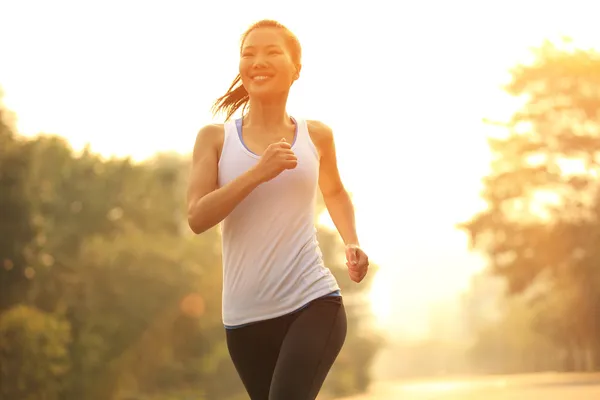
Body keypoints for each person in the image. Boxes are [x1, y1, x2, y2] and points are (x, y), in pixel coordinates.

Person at [186, 19, 369, 400]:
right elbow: (197, 217)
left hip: (312, 301)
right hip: (243, 319)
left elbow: (334, 192)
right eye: (248, 54)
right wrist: (258, 172)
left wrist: (352, 241)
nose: (258, 61)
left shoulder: (316, 135)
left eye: (271, 52)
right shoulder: (214, 139)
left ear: (295, 68)